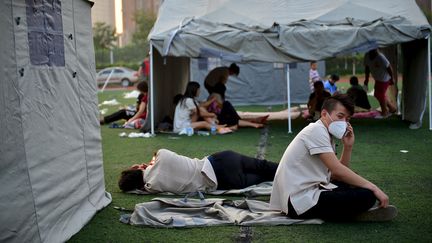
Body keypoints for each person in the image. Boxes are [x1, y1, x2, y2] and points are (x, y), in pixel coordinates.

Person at [270, 94, 397, 221]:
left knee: (354, 182)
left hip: (304, 195)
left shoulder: (324, 131)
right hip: (297, 202)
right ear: (324, 114)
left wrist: (348, 147)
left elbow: (337, 174)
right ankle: (350, 214)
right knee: (367, 195)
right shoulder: (316, 131)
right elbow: (338, 171)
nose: (344, 123)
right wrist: (374, 187)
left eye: (347, 119)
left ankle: (347, 210)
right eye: (340, 116)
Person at [118, 149, 279, 193]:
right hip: (220, 160)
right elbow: (155, 156)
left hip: (224, 182)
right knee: (266, 166)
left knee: (263, 177)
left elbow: (145, 184)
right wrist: (144, 166)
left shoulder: (152, 187)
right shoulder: (162, 155)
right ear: (138, 168)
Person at [364, 49, 397, 118]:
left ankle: (385, 112)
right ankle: (392, 108)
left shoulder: (380, 57)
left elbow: (389, 67)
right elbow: (367, 68)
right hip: (378, 79)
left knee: (380, 95)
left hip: (384, 79)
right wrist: (366, 80)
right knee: (378, 95)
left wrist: (392, 78)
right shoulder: (367, 56)